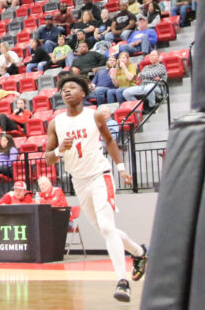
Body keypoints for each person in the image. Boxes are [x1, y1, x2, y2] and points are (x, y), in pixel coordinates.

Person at [46, 74, 148, 303]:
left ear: (83, 94)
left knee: (106, 225)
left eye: (72, 87)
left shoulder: (95, 116)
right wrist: (60, 150)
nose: (67, 91)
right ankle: (140, 253)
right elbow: (48, 159)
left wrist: (121, 168)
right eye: (63, 89)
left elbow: (110, 142)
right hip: (78, 181)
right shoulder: (56, 123)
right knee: (105, 230)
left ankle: (122, 281)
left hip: (100, 176)